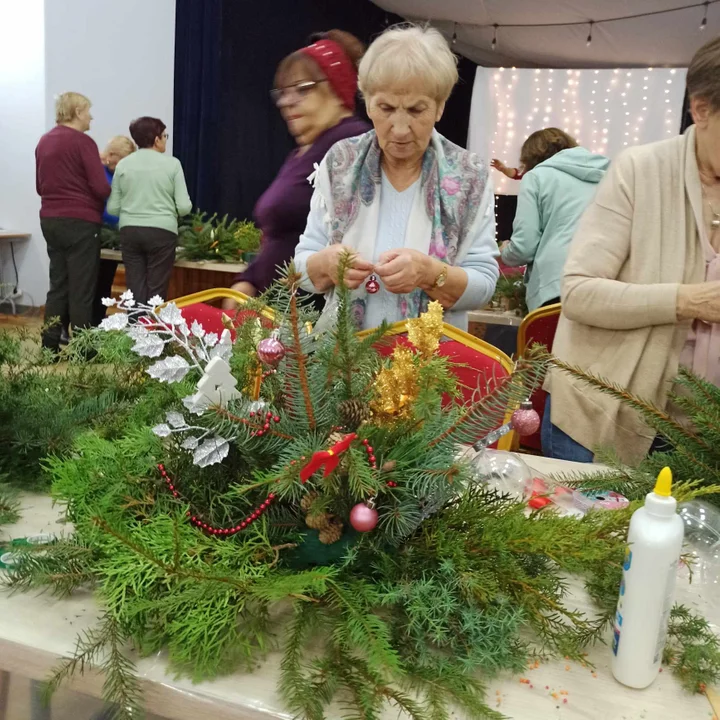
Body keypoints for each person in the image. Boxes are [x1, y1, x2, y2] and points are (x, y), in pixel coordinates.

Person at [543, 35, 720, 465]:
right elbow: (580, 292)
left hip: (702, 438)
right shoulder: (640, 170)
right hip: (603, 420)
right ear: (701, 110)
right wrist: (685, 300)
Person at [294, 25, 498, 331]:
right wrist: (326, 265)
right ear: (367, 101)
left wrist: (431, 274)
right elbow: (302, 266)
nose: (400, 128)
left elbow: (484, 284)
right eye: (386, 108)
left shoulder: (469, 175)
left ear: (440, 106)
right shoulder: (340, 163)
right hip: (345, 367)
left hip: (432, 368)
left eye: (417, 110)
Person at [226, 30, 370, 308]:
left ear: (336, 88)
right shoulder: (301, 153)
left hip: (317, 319)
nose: (286, 101)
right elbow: (280, 238)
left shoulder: (350, 144)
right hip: (279, 311)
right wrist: (250, 279)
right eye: (282, 93)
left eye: (302, 89)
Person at [500, 129, 608, 312]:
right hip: (609, 282)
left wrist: (504, 252)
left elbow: (524, 247)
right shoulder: (609, 174)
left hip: (557, 286)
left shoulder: (536, 177)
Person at [35, 91, 110, 353]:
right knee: (82, 288)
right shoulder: (83, 143)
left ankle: (49, 347)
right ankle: (84, 352)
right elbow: (100, 186)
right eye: (88, 111)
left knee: (58, 286)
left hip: (50, 220)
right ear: (77, 112)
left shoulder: (44, 142)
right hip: (81, 222)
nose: (91, 116)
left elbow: (39, 186)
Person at [108, 117, 192, 304]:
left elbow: (113, 208)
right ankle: (152, 330)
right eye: (165, 136)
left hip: (130, 232)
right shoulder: (173, 164)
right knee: (156, 290)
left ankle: (133, 330)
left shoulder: (123, 165)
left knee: (135, 288)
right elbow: (184, 207)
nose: (165, 139)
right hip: (162, 233)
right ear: (156, 139)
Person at [93, 136, 136, 325]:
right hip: (99, 234)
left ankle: (99, 319)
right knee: (93, 283)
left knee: (105, 283)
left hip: (115, 236)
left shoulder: (120, 173)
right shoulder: (97, 171)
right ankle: (89, 322)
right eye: (120, 161)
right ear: (110, 155)